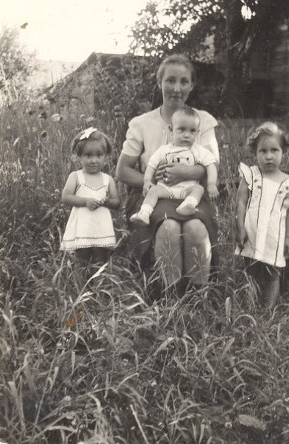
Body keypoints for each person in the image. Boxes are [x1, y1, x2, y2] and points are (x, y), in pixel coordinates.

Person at [116, 54, 220, 292]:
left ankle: (197, 295)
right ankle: (168, 295)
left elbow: (212, 166)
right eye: (170, 80)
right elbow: (122, 171)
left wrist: (184, 173)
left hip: (192, 193)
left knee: (195, 228)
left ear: (192, 85)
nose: (176, 88)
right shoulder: (141, 124)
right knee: (169, 227)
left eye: (184, 82)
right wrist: (151, 181)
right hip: (152, 195)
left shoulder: (202, 120)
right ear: (159, 81)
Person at [235, 121, 289, 308]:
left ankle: (267, 311)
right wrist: (240, 228)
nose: (268, 156)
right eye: (262, 151)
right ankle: (248, 305)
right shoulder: (251, 175)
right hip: (252, 234)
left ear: (283, 152)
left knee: (272, 274)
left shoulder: (288, 182)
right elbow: (241, 202)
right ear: (254, 152)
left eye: (274, 150)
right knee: (250, 271)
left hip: (274, 238)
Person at [130, 106, 219, 226]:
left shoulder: (198, 150)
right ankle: (144, 213)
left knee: (199, 189)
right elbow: (151, 166)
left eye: (192, 131)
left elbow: (211, 164)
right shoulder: (164, 150)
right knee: (153, 191)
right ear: (171, 129)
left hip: (187, 189)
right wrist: (147, 181)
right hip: (166, 188)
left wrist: (211, 184)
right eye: (181, 129)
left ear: (198, 132)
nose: (187, 135)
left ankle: (189, 205)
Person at [61, 127, 120, 266]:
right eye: (88, 155)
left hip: (101, 227)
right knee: (81, 260)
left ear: (106, 157)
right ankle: (81, 286)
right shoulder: (76, 176)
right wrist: (85, 201)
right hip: (82, 227)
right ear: (78, 156)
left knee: (100, 260)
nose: (94, 160)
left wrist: (107, 202)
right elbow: (66, 197)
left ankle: (98, 286)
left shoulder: (108, 179)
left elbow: (117, 202)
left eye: (99, 155)